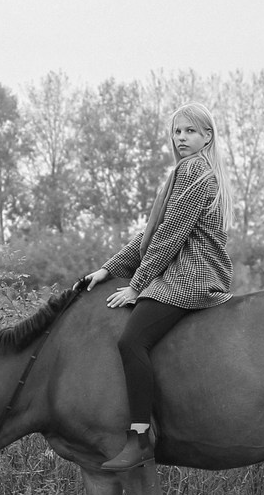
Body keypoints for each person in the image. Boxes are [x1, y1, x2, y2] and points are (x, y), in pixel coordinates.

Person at [83, 101, 234, 471]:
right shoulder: (190, 171)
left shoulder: (195, 172)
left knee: (131, 341)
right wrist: (108, 269)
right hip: (186, 270)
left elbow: (169, 235)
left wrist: (136, 285)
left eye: (190, 131)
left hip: (191, 276)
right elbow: (151, 233)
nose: (181, 138)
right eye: (177, 131)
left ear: (207, 137)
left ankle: (139, 439)